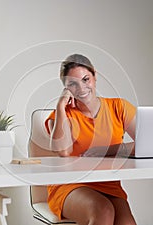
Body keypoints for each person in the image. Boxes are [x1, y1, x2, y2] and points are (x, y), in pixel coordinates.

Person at [45, 54, 137, 225]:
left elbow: (148, 144)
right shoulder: (62, 115)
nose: (81, 88)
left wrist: (108, 150)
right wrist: (60, 106)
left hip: (109, 185)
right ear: (66, 88)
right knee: (103, 211)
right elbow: (63, 151)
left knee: (127, 223)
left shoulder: (119, 107)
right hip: (70, 185)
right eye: (72, 84)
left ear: (95, 76)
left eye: (86, 79)